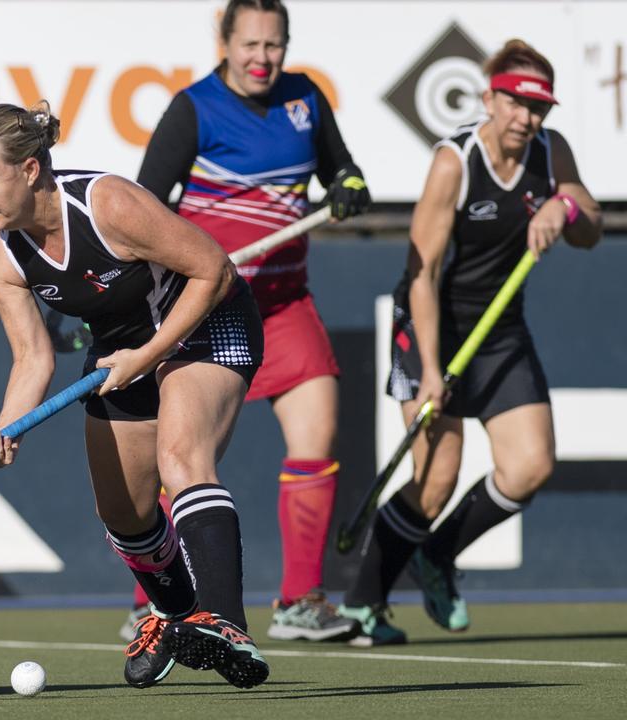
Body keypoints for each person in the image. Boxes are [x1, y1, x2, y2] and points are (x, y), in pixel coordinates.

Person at [0, 101, 268, 690]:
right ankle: (178, 616)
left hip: (207, 325)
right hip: (121, 351)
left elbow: (214, 271)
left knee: (180, 460)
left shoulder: (108, 204)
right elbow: (33, 356)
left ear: (29, 170)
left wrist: (148, 358)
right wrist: (7, 427)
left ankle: (225, 622)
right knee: (123, 512)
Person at [338, 39, 602, 645]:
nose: (525, 118)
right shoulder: (455, 162)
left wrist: (565, 204)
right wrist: (430, 368)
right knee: (436, 478)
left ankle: (437, 558)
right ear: (489, 98)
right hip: (432, 323)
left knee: (530, 466)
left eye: (538, 107)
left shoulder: (550, 150)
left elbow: (586, 225)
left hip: (501, 328)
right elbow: (423, 272)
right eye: (514, 103)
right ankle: (363, 603)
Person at [130, 0, 370, 643]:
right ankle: (156, 599)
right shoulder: (193, 109)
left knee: (317, 439)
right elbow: (144, 209)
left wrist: (347, 183)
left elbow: (338, 167)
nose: (263, 58)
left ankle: (299, 603)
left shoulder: (305, 99)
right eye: (251, 45)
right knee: (188, 460)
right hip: (210, 309)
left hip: (288, 302)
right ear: (225, 42)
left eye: (275, 45)